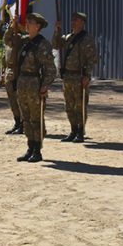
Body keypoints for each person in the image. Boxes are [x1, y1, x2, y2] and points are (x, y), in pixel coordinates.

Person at [14, 12, 56, 162]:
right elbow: (8, 40)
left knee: (36, 118)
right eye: (27, 22)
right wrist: (13, 25)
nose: (27, 24)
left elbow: (51, 69)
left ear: (38, 26)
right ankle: (30, 147)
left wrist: (44, 86)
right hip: (22, 84)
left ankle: (37, 150)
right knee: (26, 118)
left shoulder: (42, 44)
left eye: (30, 22)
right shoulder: (25, 41)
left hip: (34, 85)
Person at [52, 11, 99, 142]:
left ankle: (80, 131)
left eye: (76, 20)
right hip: (68, 76)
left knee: (80, 105)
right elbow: (56, 44)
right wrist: (57, 31)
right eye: (72, 20)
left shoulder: (87, 38)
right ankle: (73, 130)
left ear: (82, 23)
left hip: (80, 76)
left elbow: (92, 58)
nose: (73, 22)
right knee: (69, 105)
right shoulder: (68, 37)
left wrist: (87, 75)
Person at [0, 10, 23, 135]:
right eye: (10, 23)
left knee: (20, 100)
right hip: (9, 74)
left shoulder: (20, 39)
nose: (11, 25)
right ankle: (17, 122)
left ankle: (23, 124)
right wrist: (2, 74)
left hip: (18, 73)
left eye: (13, 23)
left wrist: (16, 25)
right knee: (12, 101)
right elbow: (4, 60)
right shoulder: (7, 42)